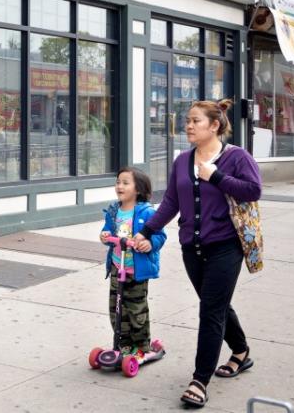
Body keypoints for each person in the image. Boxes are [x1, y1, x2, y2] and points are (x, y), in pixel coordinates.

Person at [134, 99, 262, 409]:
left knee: (210, 311)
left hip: (225, 245)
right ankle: (241, 352)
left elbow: (254, 190)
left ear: (214, 125)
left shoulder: (236, 157)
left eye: (195, 121)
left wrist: (215, 176)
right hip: (192, 247)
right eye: (187, 121)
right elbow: (171, 203)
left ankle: (199, 380)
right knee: (214, 304)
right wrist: (147, 230)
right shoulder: (181, 161)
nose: (188, 126)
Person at [98, 166, 166, 358]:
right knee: (117, 309)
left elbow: (160, 236)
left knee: (136, 309)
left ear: (138, 189)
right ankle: (124, 344)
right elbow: (107, 231)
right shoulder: (113, 211)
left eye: (125, 183)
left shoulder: (146, 213)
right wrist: (105, 235)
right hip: (116, 267)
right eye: (118, 182)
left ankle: (142, 346)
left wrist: (149, 243)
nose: (120, 186)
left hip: (136, 270)